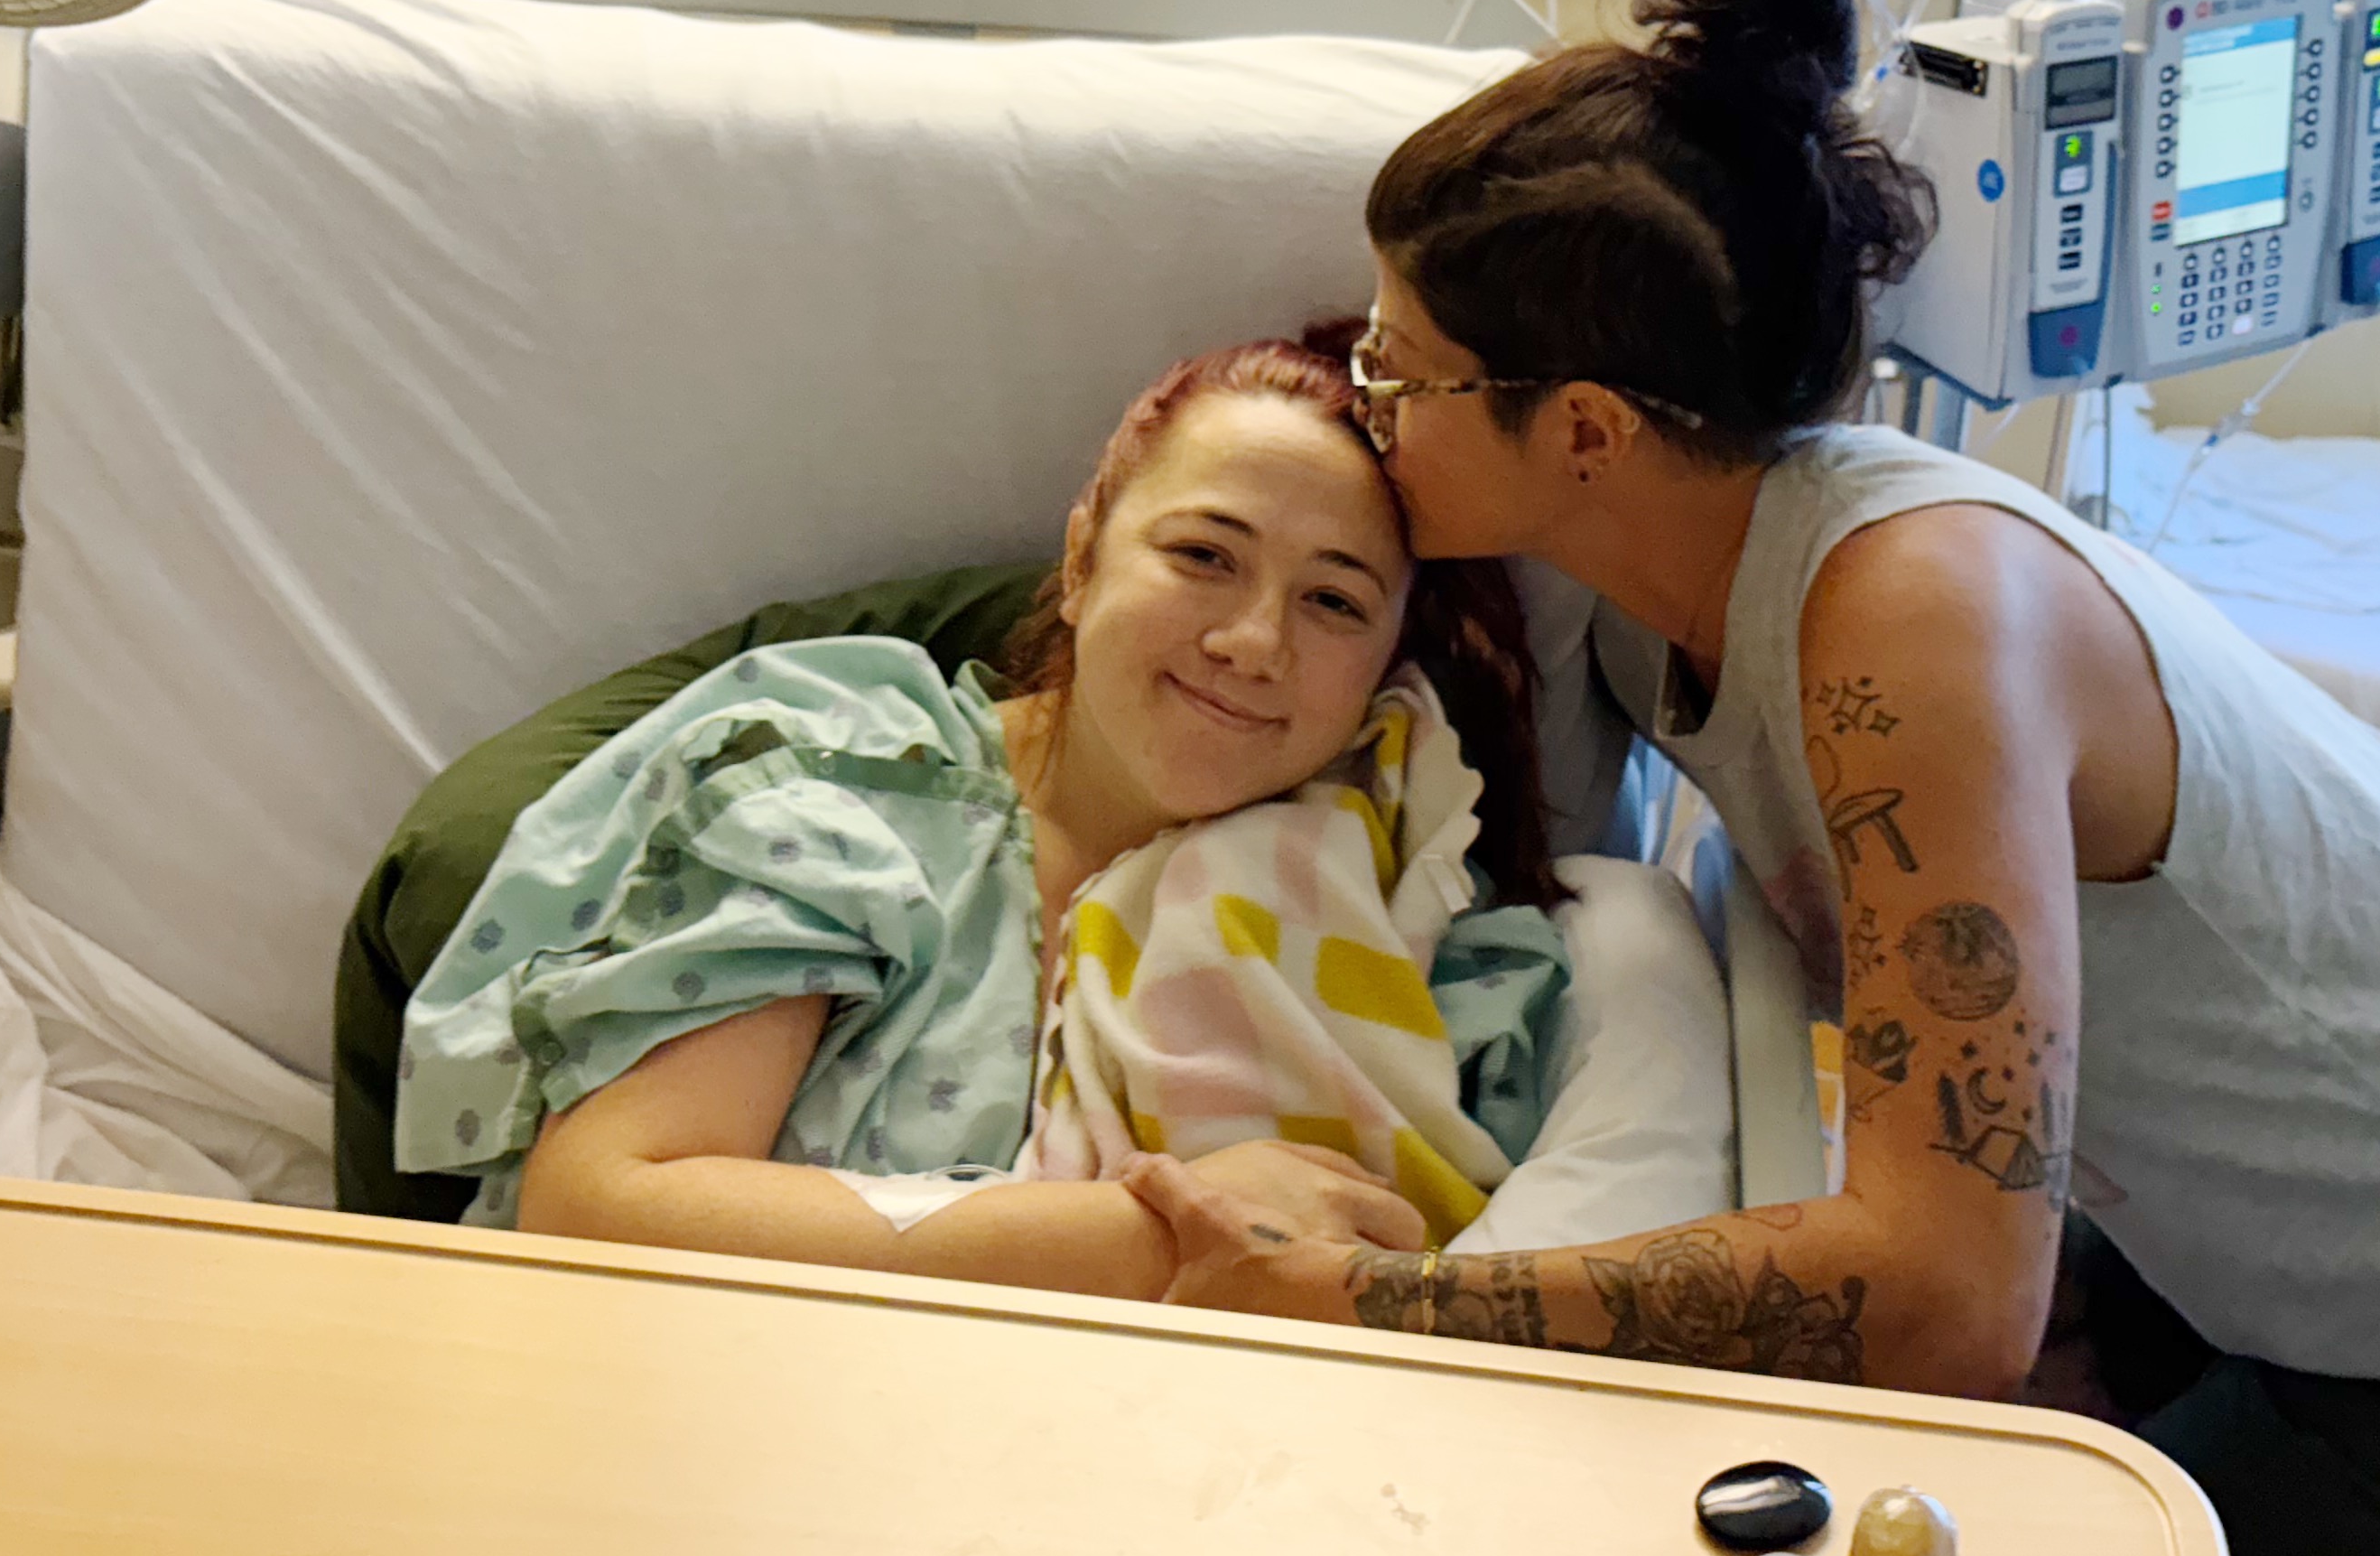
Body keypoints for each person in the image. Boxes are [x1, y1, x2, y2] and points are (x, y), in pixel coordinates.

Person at [1119, 0, 2380, 1556]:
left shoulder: (1911, 622)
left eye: (1401, 370)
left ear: (1582, 431)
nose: (1365, 404)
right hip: (2259, 1185)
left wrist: (1364, 1302)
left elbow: (1949, 1305)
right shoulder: (1655, 595)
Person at [395, 335, 1574, 1298]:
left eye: (1333, 601)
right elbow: (602, 1213)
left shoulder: (1376, 900)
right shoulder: (855, 796)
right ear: (1083, 554)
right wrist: (1170, 1239)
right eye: (1204, 555)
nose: (1253, 641)